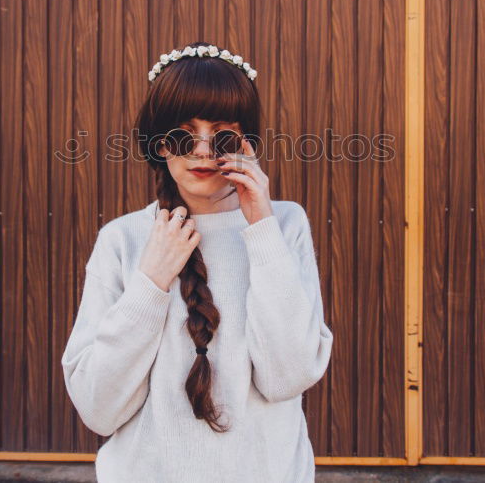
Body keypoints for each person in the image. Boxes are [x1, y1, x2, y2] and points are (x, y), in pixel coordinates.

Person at [61, 40, 333, 482]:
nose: (203, 150)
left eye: (222, 134)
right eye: (184, 135)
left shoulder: (283, 226)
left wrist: (261, 227)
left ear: (246, 141)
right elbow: (97, 406)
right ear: (160, 145)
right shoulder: (123, 240)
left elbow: (289, 376)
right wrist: (150, 282)